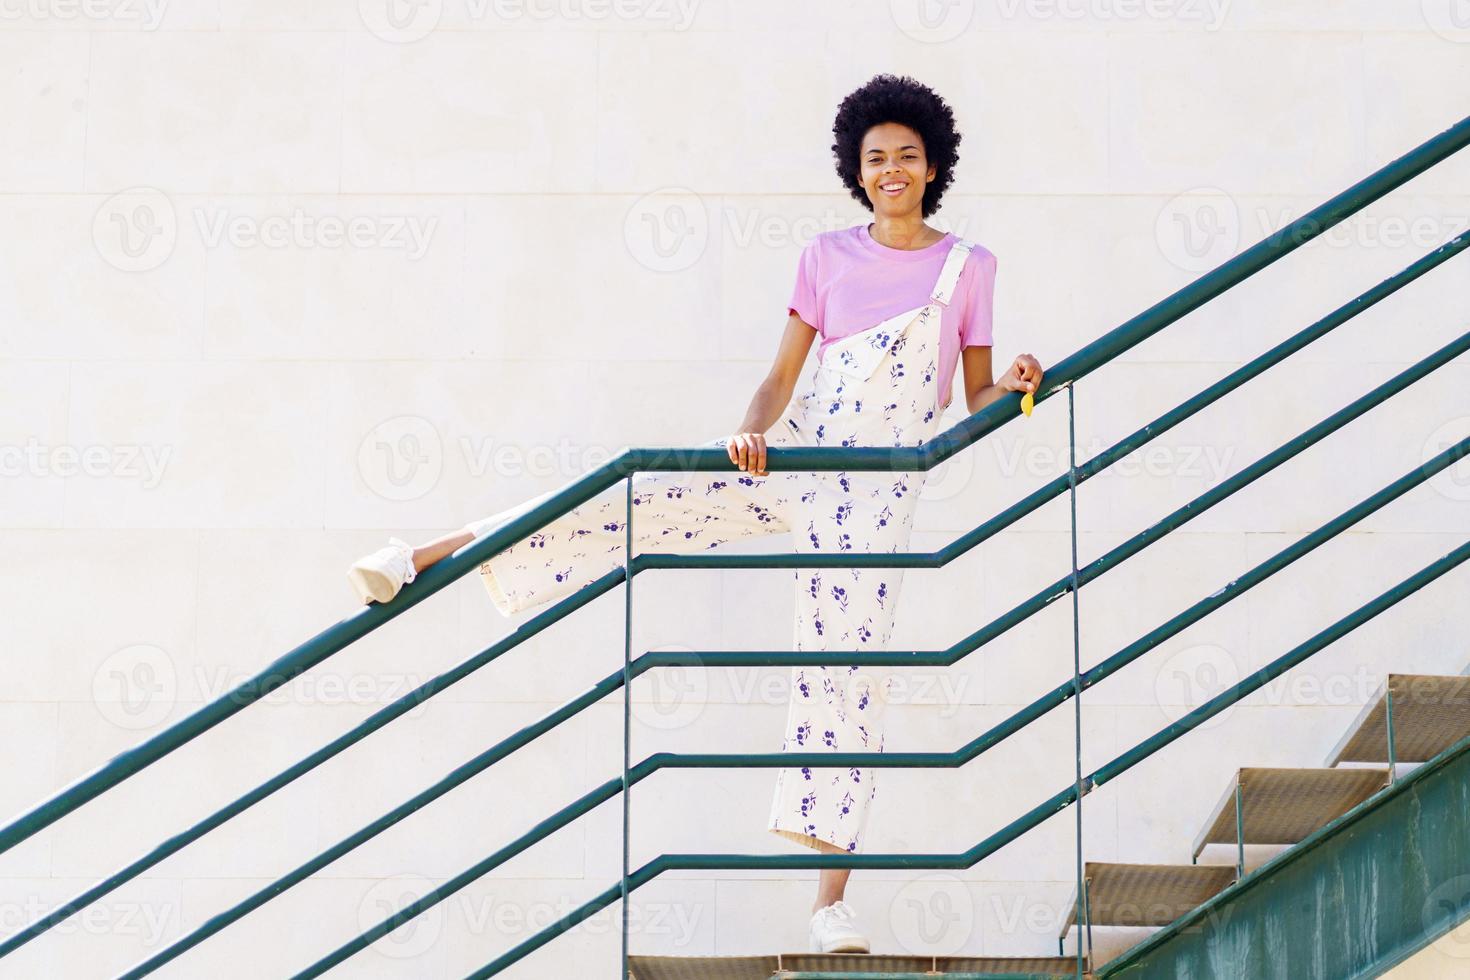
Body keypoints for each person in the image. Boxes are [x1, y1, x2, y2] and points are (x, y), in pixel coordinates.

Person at [346, 72, 1043, 955]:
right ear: (855, 169)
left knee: (847, 674)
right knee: (629, 496)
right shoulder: (826, 257)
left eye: (907, 156)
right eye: (876, 158)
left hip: (877, 494)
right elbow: (778, 378)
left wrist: (1013, 388)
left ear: (935, 163)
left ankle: (831, 903)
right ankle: (421, 553)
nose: (892, 170)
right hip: (793, 457)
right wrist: (748, 436)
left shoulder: (967, 267)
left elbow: (970, 396)